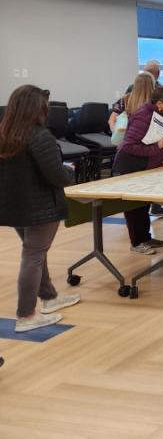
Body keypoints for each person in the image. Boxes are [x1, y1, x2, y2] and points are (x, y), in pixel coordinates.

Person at [0, 85, 80, 332]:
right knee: (33, 256)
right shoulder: (39, 135)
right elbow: (55, 175)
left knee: (35, 252)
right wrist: (70, 172)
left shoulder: (5, 133)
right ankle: (26, 315)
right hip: (40, 206)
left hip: (13, 206)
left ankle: (49, 297)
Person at [112, 86, 163, 254]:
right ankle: (136, 243)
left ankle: (146, 238)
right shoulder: (143, 116)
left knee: (143, 205)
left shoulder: (157, 115)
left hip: (143, 166)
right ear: (160, 104)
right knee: (134, 208)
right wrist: (157, 149)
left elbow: (153, 141)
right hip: (130, 166)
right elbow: (129, 146)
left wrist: (161, 156)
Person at [110, 72, 156, 145]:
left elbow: (111, 120)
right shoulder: (156, 102)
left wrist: (117, 135)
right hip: (146, 143)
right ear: (152, 85)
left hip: (126, 142)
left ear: (135, 84)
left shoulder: (124, 100)